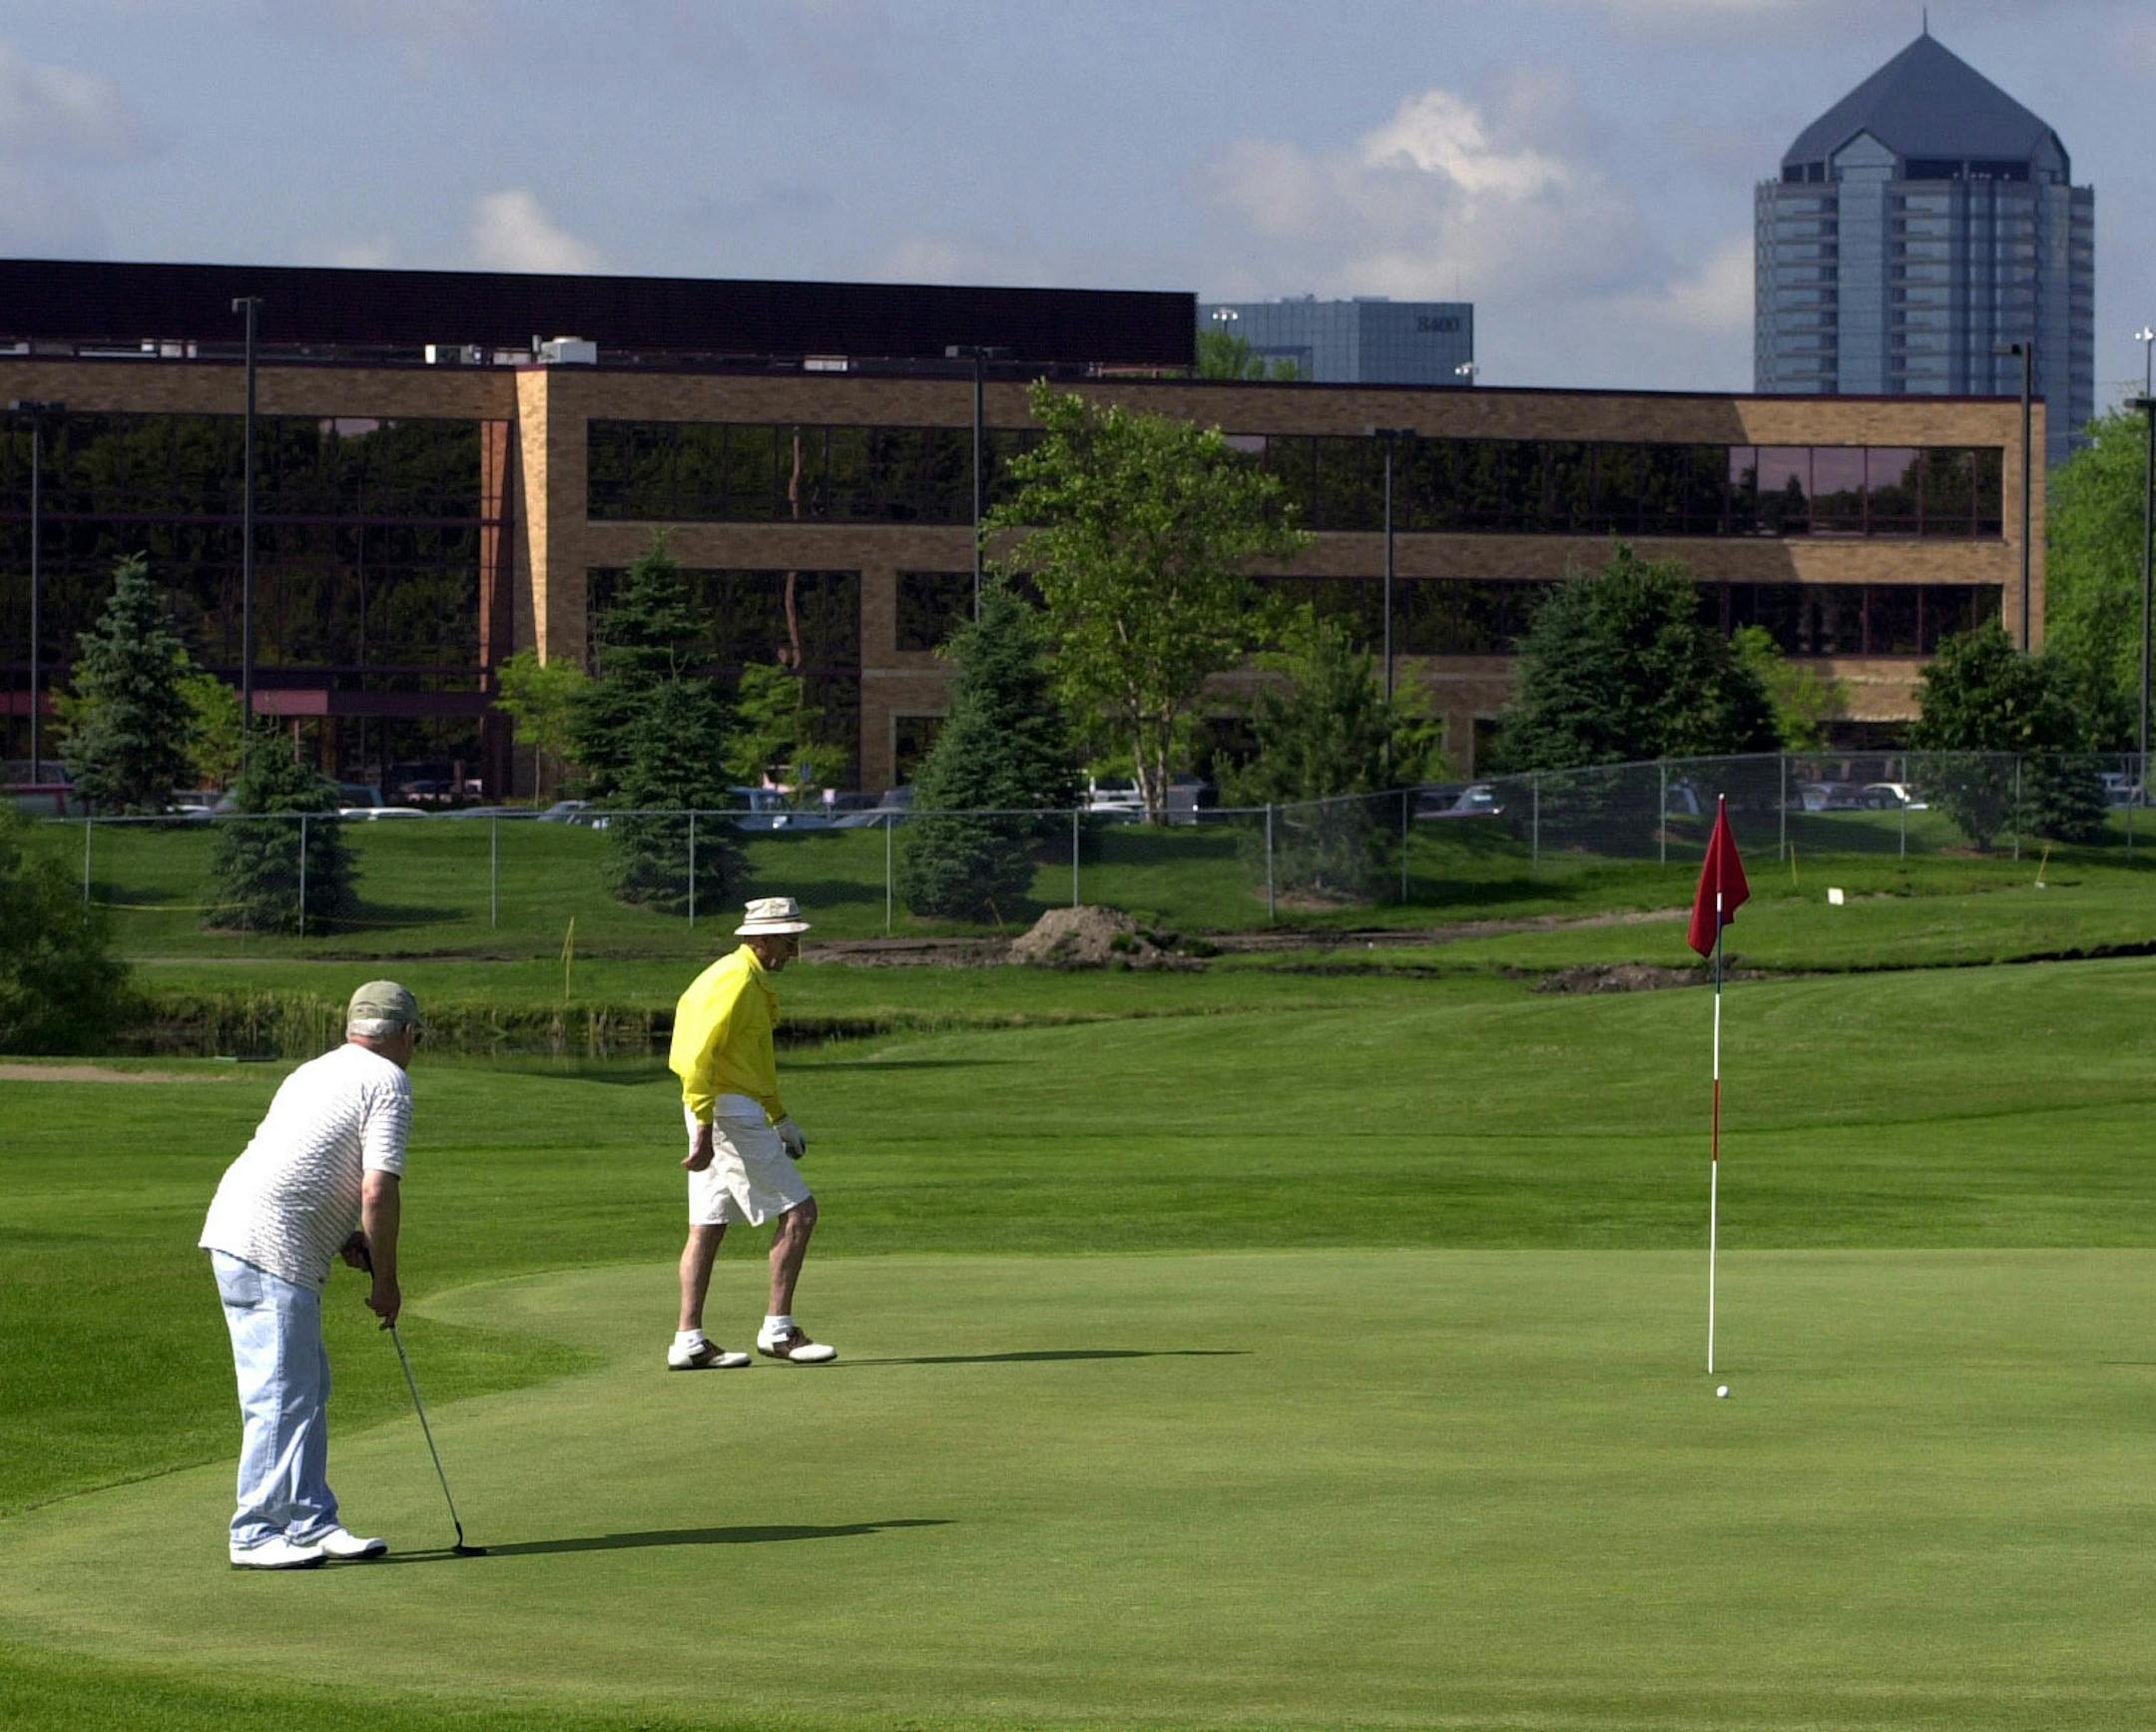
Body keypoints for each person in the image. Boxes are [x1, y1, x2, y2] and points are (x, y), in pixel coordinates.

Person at [198, 980, 419, 1568]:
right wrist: (386, 1280)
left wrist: (344, 1236)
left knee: (305, 1388)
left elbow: (303, 1161)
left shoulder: (313, 1070)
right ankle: (254, 1532)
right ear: (404, 1034)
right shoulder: (389, 1081)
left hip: (246, 1232)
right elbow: (377, 1189)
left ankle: (310, 1520)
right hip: (269, 1245)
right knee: (280, 1395)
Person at [668, 894, 837, 1370]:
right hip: (725, 1112)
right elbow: (696, 1056)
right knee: (800, 1212)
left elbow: (754, 1061)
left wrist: (779, 1117)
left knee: (708, 1225)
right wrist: (704, 1126)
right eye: (787, 941)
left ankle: (689, 1340)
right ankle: (778, 1331)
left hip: (726, 1107)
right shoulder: (736, 981)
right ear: (760, 939)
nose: (793, 952)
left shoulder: (746, 977)